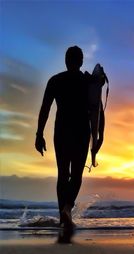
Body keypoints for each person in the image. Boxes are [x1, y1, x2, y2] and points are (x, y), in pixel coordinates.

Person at [35, 46, 104, 228]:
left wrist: (39, 134)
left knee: (62, 175)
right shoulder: (87, 82)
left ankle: (63, 217)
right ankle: (67, 209)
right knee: (77, 176)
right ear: (81, 61)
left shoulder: (55, 81)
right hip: (81, 132)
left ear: (66, 61)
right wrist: (99, 139)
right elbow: (98, 110)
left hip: (62, 132)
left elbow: (45, 109)